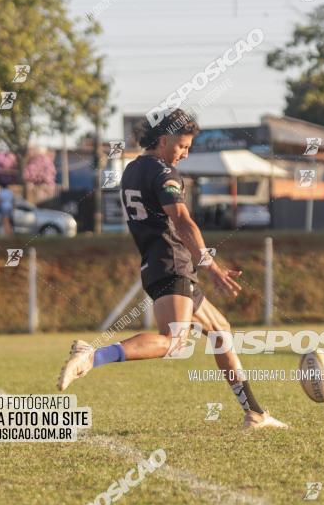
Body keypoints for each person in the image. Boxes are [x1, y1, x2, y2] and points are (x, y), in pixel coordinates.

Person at [57, 108, 287, 430]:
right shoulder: (164, 173)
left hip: (155, 263)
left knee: (220, 331)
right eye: (182, 146)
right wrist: (211, 265)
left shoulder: (133, 169)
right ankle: (92, 357)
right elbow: (182, 220)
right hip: (172, 263)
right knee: (174, 342)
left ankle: (255, 412)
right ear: (163, 140)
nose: (185, 153)